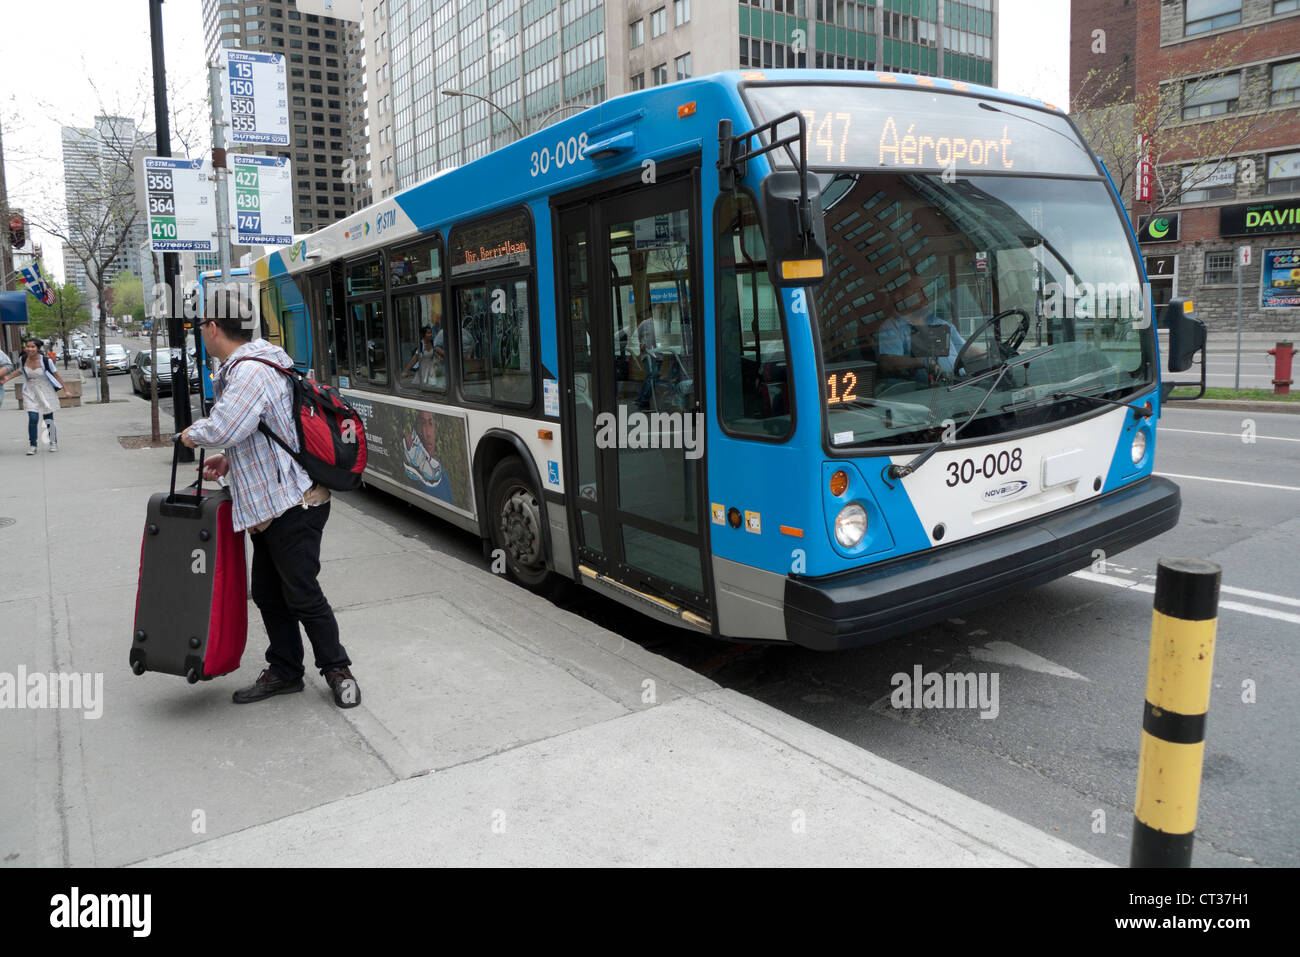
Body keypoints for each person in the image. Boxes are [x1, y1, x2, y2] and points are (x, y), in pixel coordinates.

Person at [180, 288, 360, 709]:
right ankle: (284, 669)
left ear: (212, 327)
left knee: (301, 593)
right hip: (270, 505)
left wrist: (190, 435)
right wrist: (229, 458)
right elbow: (260, 428)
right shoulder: (259, 361)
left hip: (292, 504)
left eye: (201, 325)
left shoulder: (250, 372)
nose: (200, 332)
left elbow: (224, 425)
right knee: (268, 591)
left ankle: (337, 669)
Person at [876, 274, 982, 387]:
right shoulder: (892, 327)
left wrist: (988, 355)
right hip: (922, 393)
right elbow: (888, 362)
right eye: (918, 291)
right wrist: (922, 362)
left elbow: (965, 350)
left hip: (957, 385)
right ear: (899, 297)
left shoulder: (939, 323)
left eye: (924, 290)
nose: (925, 295)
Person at [0, 338, 64, 454]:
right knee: (33, 418)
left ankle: (53, 442)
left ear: (38, 348)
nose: (29, 349)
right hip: (30, 390)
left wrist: (66, 390)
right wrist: (7, 379)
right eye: (27, 346)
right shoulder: (23, 359)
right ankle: (33, 445)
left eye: (32, 347)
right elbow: (20, 371)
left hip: (45, 390)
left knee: (48, 418)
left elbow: (56, 375)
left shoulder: (46, 361)